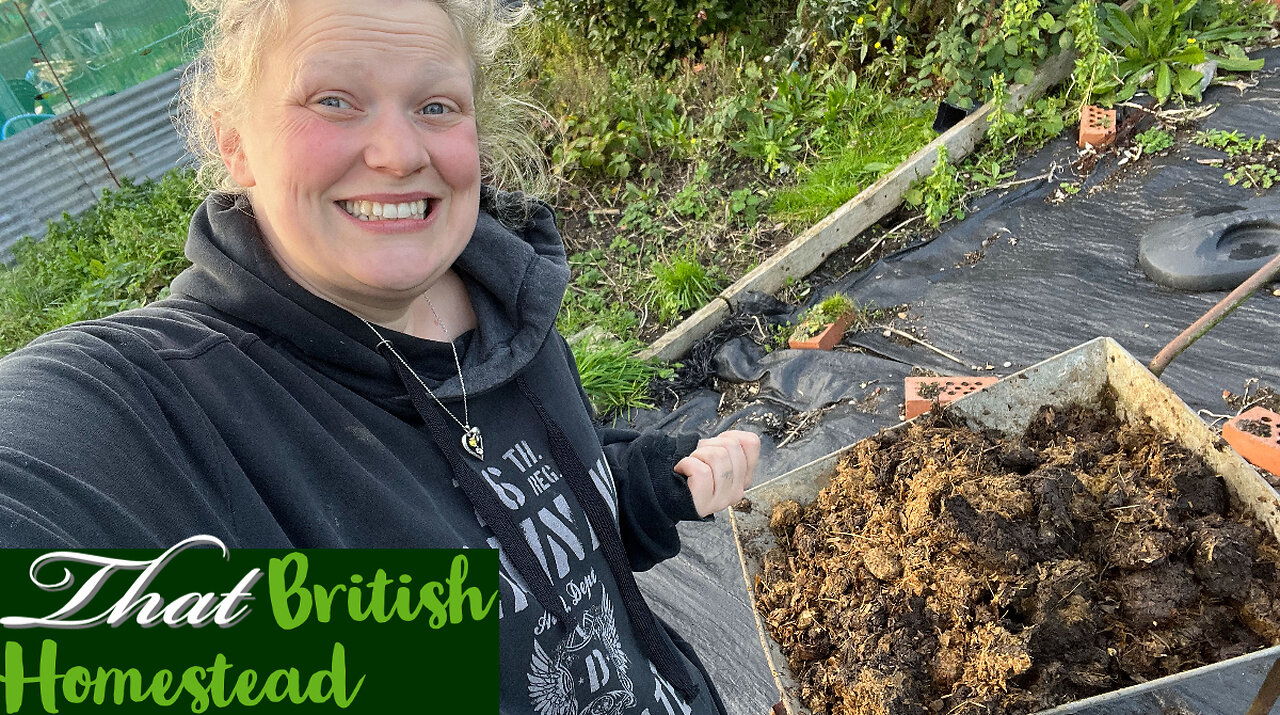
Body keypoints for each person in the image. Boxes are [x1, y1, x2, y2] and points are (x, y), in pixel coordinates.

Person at [0, 0, 760, 713]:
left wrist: (645, 488)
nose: (399, 153)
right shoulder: (168, 403)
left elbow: (533, 545)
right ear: (235, 142)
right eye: (334, 99)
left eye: (435, 106)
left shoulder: (505, 303)